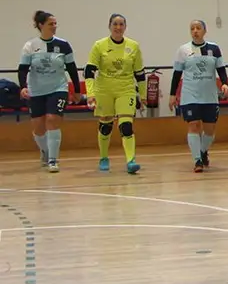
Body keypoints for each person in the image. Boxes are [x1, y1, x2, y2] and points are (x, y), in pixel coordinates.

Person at [18, 11, 80, 173]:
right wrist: (23, 86)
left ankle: (53, 159)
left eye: (55, 23)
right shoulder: (30, 46)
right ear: (41, 25)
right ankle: (45, 151)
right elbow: (23, 69)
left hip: (58, 88)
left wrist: (77, 90)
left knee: (52, 120)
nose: (54, 26)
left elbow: (72, 68)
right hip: (37, 90)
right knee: (38, 127)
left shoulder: (63, 45)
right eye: (51, 24)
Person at [84, 14, 144, 174]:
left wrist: (143, 95)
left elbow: (140, 73)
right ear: (109, 26)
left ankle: (131, 160)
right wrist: (90, 93)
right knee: (106, 125)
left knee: (126, 125)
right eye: (115, 24)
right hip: (104, 89)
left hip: (126, 89)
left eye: (121, 24)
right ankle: (104, 157)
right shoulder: (99, 45)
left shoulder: (133, 46)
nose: (118, 27)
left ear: (125, 26)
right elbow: (89, 71)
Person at [169, 20, 228, 173]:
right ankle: (197, 160)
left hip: (209, 96)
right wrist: (172, 95)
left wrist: (224, 83)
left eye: (198, 28)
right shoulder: (183, 50)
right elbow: (177, 75)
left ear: (204, 30)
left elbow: (221, 69)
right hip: (190, 95)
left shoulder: (214, 49)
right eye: (192, 28)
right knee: (194, 125)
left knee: (209, 130)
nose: (195, 31)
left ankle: (203, 151)